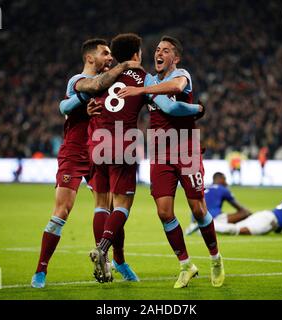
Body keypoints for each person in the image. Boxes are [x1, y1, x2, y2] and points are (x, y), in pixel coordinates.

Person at [85, 33, 204, 285]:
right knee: (121, 206)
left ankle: (112, 260)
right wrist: (198, 109)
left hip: (97, 141)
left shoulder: (104, 76)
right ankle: (105, 249)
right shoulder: (142, 78)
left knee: (100, 203)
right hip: (123, 141)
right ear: (137, 54)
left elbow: (84, 97)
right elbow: (170, 107)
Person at [31, 38, 142, 288]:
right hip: (73, 151)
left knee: (110, 208)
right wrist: (83, 101)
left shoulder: (109, 80)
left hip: (98, 150)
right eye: (105, 53)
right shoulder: (77, 80)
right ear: (90, 58)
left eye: (112, 54)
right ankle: (41, 270)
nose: (110, 58)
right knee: (62, 211)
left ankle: (117, 261)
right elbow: (64, 106)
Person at [118, 36, 224, 288]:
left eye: (165, 50)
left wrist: (143, 91)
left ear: (175, 58)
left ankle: (216, 258)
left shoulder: (182, 75)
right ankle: (186, 265)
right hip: (160, 153)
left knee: (198, 209)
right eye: (157, 49)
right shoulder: (149, 80)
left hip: (186, 149)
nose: (159, 53)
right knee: (164, 212)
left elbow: (173, 100)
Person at [213, 185, 282, 236]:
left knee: (237, 227)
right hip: (269, 220)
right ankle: (210, 227)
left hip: (266, 214)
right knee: (238, 231)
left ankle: (210, 226)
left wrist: (279, 229)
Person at [185, 172, 251, 235]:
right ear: (220, 179)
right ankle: (211, 226)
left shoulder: (204, 188)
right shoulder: (222, 189)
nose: (226, 182)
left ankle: (200, 226)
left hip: (196, 218)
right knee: (245, 213)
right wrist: (250, 214)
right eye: (224, 179)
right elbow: (240, 208)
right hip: (213, 217)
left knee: (218, 213)